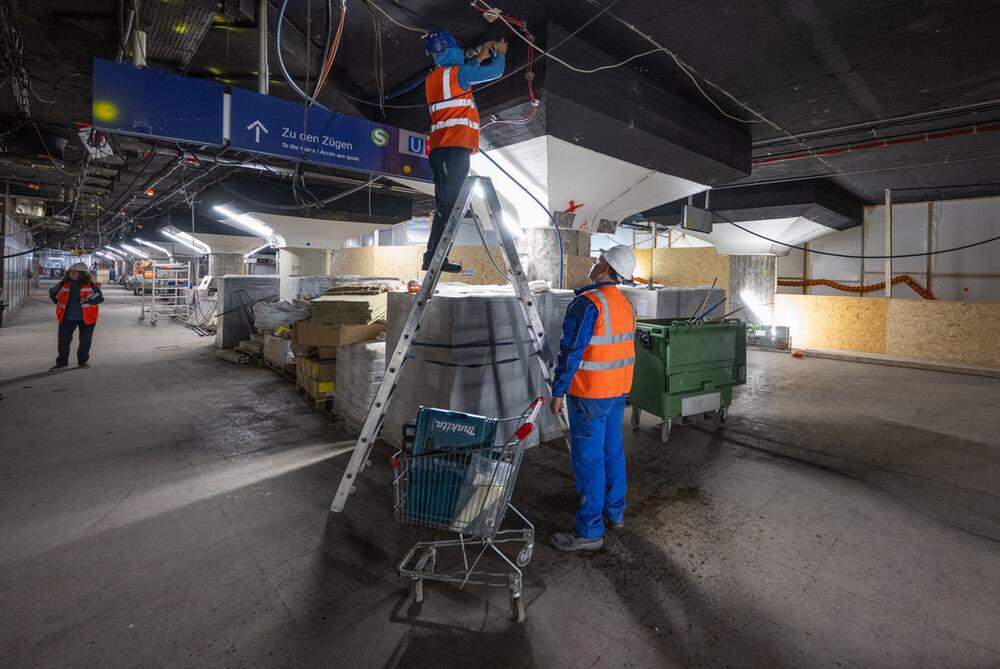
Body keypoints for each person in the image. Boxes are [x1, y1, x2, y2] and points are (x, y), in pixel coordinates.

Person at [549, 246, 638, 552]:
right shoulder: (625, 305)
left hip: (589, 394)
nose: (593, 263)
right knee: (613, 452)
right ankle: (614, 514)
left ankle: (589, 530)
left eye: (598, 260)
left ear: (605, 267)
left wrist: (558, 390)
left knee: (589, 460)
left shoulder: (587, 304)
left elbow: (570, 351)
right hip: (617, 392)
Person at [423, 32, 508, 273]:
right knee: (449, 208)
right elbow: (496, 72)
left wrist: (479, 56)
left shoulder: (435, 78)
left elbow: (463, 76)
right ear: (450, 49)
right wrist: (499, 53)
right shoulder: (457, 74)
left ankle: (434, 257)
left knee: (446, 207)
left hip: (442, 150)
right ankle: (434, 259)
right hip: (454, 150)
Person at [48, 262, 104, 370]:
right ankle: (62, 363)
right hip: (67, 317)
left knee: (85, 340)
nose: (71, 273)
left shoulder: (91, 285)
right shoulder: (64, 284)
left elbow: (99, 298)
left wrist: (88, 299)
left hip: (87, 317)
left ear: (82, 274)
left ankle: (82, 362)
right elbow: (52, 293)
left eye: (74, 272)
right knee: (63, 340)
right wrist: (58, 302)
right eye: (70, 271)